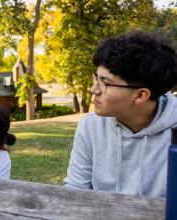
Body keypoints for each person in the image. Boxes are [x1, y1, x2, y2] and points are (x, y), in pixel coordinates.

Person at [64, 31, 177, 198]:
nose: (93, 89)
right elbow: (75, 191)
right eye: (96, 78)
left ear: (140, 95)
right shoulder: (90, 126)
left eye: (105, 83)